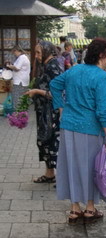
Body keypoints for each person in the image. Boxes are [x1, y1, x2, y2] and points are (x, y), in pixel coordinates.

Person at [50, 38, 106, 224]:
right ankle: (90, 208)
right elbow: (103, 111)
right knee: (92, 169)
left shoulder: (75, 69)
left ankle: (74, 208)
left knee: (71, 165)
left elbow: (54, 85)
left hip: (69, 126)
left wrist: (61, 107)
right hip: (91, 129)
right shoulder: (102, 77)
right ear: (102, 55)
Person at [25, 41, 63, 183]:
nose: (36, 55)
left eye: (39, 52)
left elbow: (58, 93)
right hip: (43, 111)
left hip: (52, 113)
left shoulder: (53, 66)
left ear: (47, 51)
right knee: (44, 142)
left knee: (53, 143)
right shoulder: (45, 65)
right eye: (35, 52)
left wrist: (36, 91)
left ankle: (64, 179)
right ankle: (49, 174)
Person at [6, 45, 31, 110]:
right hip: (22, 81)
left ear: (17, 51)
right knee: (21, 98)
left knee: (17, 98)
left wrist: (9, 66)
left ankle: (17, 114)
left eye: (14, 52)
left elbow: (17, 68)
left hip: (20, 81)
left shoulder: (22, 57)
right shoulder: (23, 57)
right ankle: (21, 114)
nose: (14, 54)